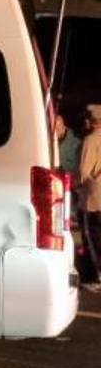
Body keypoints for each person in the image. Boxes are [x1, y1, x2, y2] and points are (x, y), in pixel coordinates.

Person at [76, 106, 101, 290]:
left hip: (93, 198)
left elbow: (83, 172)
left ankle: (94, 277)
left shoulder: (91, 140)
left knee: (92, 237)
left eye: (88, 119)